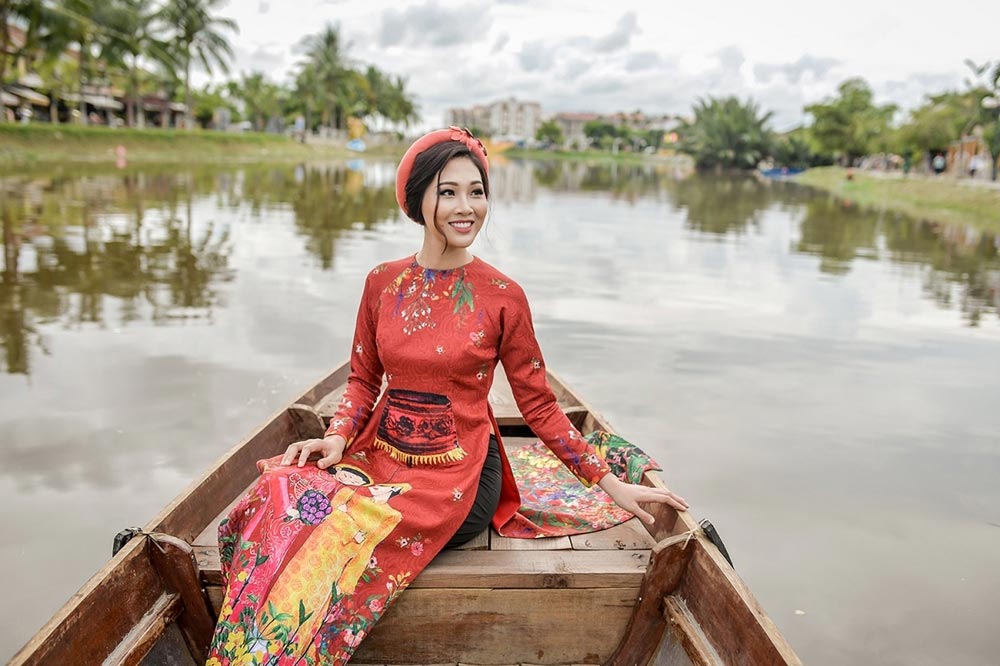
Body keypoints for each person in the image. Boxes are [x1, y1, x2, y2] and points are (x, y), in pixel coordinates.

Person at [206, 127, 689, 665]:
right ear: (418, 200)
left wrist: (609, 483)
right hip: (379, 457)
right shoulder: (382, 282)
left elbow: (539, 406)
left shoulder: (503, 296)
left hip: (461, 479)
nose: (467, 207)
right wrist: (336, 439)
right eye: (449, 192)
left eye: (476, 192)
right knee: (281, 488)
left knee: (343, 523)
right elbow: (363, 380)